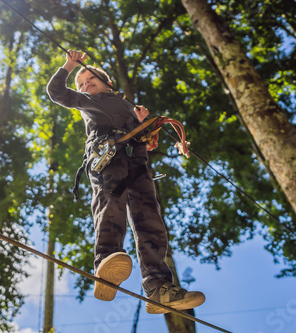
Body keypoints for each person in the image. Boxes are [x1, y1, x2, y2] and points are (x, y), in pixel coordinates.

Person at [47, 50, 205, 314]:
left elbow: (149, 137)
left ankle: (159, 287)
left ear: (108, 82)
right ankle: (106, 258)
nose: (85, 84)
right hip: (108, 157)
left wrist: (156, 130)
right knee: (110, 203)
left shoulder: (128, 108)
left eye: (90, 78)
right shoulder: (87, 102)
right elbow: (57, 92)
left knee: (150, 220)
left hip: (137, 166)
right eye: (81, 82)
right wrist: (69, 65)